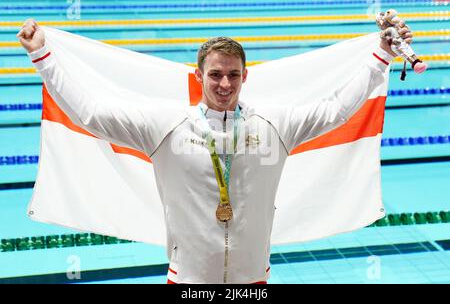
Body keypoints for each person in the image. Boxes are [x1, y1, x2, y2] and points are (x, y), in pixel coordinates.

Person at [18, 18, 412, 284]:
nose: (225, 84)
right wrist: (41, 56)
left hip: (253, 281)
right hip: (188, 282)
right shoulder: (165, 126)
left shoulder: (274, 124)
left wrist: (381, 56)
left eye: (233, 74)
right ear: (199, 76)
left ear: (245, 76)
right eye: (216, 74)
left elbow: (337, 110)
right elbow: (89, 113)